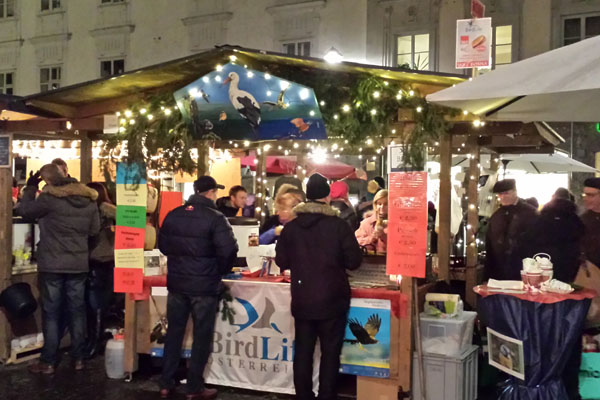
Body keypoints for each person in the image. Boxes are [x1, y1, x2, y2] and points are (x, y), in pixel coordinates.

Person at [275, 173, 362, 400]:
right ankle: (326, 395)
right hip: (333, 299)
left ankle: (303, 395)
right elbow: (354, 261)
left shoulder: (291, 228)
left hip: (303, 298)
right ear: (327, 197)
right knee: (330, 353)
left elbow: (282, 261)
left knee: (303, 351)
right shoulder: (339, 226)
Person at [14, 164, 100, 374]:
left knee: (52, 312)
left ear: (47, 180)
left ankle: (49, 361)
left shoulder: (49, 199)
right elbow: (94, 231)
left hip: (52, 263)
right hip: (78, 264)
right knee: (77, 311)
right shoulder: (89, 200)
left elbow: (24, 212)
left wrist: (30, 188)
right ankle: (78, 358)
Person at [158, 176, 238, 400]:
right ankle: (194, 387)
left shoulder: (174, 214)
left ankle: (165, 383)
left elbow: (163, 246)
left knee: (174, 332)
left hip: (177, 284)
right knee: (201, 336)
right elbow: (229, 250)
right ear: (211, 193)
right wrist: (219, 270)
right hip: (204, 286)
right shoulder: (216, 218)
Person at [520, 188, 584, 283]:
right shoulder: (575, 219)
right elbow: (581, 238)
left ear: (553, 198)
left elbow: (528, 238)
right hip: (567, 264)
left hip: (542, 262)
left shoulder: (541, 218)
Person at [85, 182, 117, 358]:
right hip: (105, 260)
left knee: (96, 305)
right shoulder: (100, 210)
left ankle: (94, 342)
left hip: (98, 260)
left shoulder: (101, 209)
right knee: (97, 304)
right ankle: (95, 340)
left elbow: (126, 217)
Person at [484, 179, 538, 281]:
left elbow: (537, 242)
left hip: (523, 270)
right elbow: (490, 247)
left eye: (506, 193)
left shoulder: (530, 213)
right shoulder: (496, 216)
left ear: (515, 192)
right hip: (499, 271)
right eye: (500, 194)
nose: (502, 197)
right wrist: (487, 276)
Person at [355, 189, 388, 253]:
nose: (382, 207)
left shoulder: (396, 224)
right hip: (370, 258)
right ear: (375, 205)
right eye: (379, 204)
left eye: (386, 204)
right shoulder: (366, 223)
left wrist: (383, 237)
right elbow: (356, 242)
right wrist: (372, 238)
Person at [582, 177, 600, 268]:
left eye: (590, 195)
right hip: (590, 271)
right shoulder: (582, 219)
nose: (586, 199)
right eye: (585, 195)